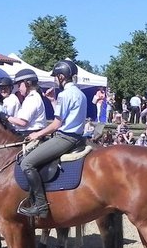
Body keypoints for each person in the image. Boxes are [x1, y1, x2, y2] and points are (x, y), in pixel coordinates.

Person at [18, 60, 87, 218]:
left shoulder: (64, 94)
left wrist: (38, 134)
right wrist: (52, 101)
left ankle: (41, 206)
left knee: (26, 163)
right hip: (77, 136)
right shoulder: (80, 94)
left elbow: (56, 124)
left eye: (56, 76)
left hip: (65, 137)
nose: (55, 79)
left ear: (62, 76)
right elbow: (69, 115)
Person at [5, 69, 48, 134]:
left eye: (19, 85)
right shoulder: (31, 97)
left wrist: (6, 117)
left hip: (29, 134)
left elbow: (22, 122)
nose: (18, 88)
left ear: (28, 83)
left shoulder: (32, 98)